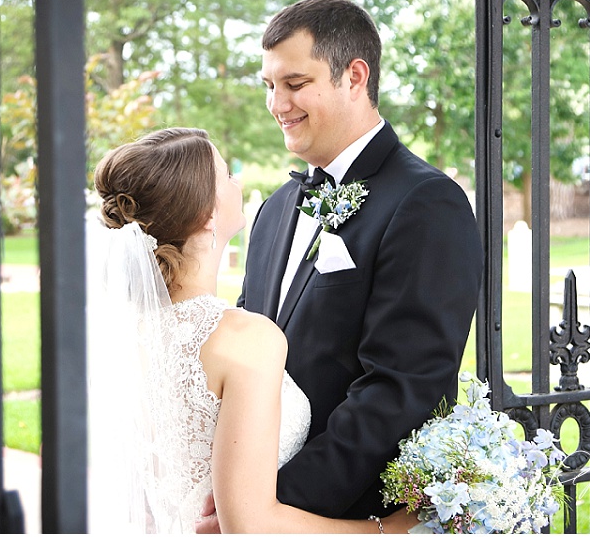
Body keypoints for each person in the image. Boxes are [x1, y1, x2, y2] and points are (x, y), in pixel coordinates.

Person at [198, 0, 484, 531]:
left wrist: (266, 506)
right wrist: (234, 493)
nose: (277, 103)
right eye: (269, 85)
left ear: (354, 76)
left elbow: (400, 390)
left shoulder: (426, 204)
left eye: (295, 83)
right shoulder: (275, 209)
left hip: (347, 516)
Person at [85, 127, 416, 533]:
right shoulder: (245, 340)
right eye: (225, 175)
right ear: (207, 216)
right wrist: (393, 530)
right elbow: (251, 526)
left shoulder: (122, 338)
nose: (236, 182)